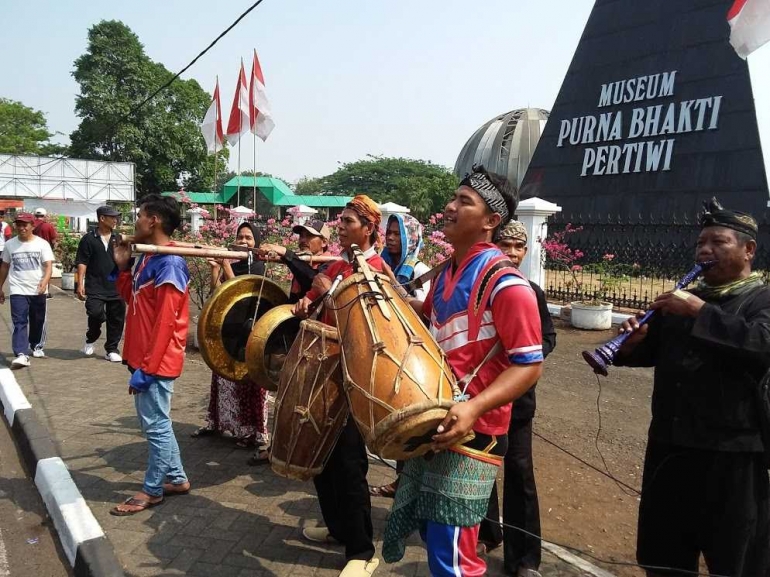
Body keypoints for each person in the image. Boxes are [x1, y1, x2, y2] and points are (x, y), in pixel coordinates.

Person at [382, 166, 544, 577]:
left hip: (475, 429)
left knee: (453, 552)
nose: (450, 207)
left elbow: (529, 365)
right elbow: (432, 324)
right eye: (453, 198)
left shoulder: (508, 285)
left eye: (464, 202)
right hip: (440, 417)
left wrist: (474, 408)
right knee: (436, 535)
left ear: (491, 221)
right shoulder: (446, 273)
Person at [614, 198, 770, 577]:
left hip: (732, 455)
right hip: (670, 448)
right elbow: (655, 351)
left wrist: (699, 311)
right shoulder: (685, 298)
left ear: (748, 250)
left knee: (736, 557)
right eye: (701, 242)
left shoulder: (760, 298)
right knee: (662, 553)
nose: (705, 250)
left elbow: (761, 344)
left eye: (718, 242)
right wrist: (630, 344)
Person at [292, 195, 383, 577]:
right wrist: (309, 301)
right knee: (320, 459)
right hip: (323, 372)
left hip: (351, 380)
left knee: (348, 464)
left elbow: (371, 328)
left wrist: (327, 293)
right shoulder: (341, 265)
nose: (340, 226)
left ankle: (362, 550)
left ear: (368, 228)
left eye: (347, 221)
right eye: (340, 220)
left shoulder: (375, 269)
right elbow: (316, 298)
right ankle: (337, 529)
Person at [477, 220, 557, 576]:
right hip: (482, 397)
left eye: (518, 248)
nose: (511, 254)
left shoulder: (530, 292)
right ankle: (487, 533)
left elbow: (548, 338)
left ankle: (525, 558)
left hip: (518, 401)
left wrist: (522, 355)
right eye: (505, 246)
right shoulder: (478, 289)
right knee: (481, 469)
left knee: (520, 474)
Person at [110, 194, 191, 516]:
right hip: (143, 356)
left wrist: (147, 368)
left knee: (155, 426)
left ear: (154, 220)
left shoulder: (171, 262)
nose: (136, 221)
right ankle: (177, 479)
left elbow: (166, 322)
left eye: (140, 215)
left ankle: (152, 490)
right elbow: (132, 299)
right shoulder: (148, 257)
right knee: (157, 424)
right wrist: (122, 266)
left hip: (157, 360)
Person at [193, 222, 271, 464]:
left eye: (249, 237)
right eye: (240, 236)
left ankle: (252, 432)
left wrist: (226, 265)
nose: (244, 241)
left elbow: (239, 294)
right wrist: (216, 268)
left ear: (256, 242)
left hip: (251, 334)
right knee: (223, 377)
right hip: (229, 335)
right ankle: (219, 423)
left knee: (249, 383)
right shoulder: (234, 262)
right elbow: (217, 295)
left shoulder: (262, 267)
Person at [369, 212, 430, 499]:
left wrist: (393, 286)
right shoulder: (382, 263)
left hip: (414, 353)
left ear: (411, 238)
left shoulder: (418, 271)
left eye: (397, 234)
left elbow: (427, 313)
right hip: (390, 348)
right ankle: (402, 482)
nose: (391, 238)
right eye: (389, 233)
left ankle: (412, 486)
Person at [0, 213, 54, 368]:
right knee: (19, 321)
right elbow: (5, 266)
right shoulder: (10, 245)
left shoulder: (42, 244)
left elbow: (48, 266)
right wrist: (1, 287)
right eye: (19, 224)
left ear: (32, 226)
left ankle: (36, 345)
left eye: (25, 225)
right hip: (18, 289)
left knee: (37, 320)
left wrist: (45, 282)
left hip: (37, 289)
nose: (22, 228)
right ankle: (21, 354)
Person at [75, 205, 126, 362]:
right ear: (102, 219)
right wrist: (80, 283)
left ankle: (112, 349)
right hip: (95, 285)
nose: (115, 220)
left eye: (116, 217)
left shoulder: (119, 239)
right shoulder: (89, 239)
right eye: (112, 217)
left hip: (116, 285)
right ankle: (91, 338)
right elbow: (82, 262)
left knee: (117, 319)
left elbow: (126, 261)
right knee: (95, 314)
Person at [259, 218, 333, 303]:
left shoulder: (330, 265)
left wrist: (285, 253)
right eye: (301, 236)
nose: (303, 240)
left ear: (324, 242)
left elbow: (311, 279)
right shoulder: (300, 262)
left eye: (309, 236)